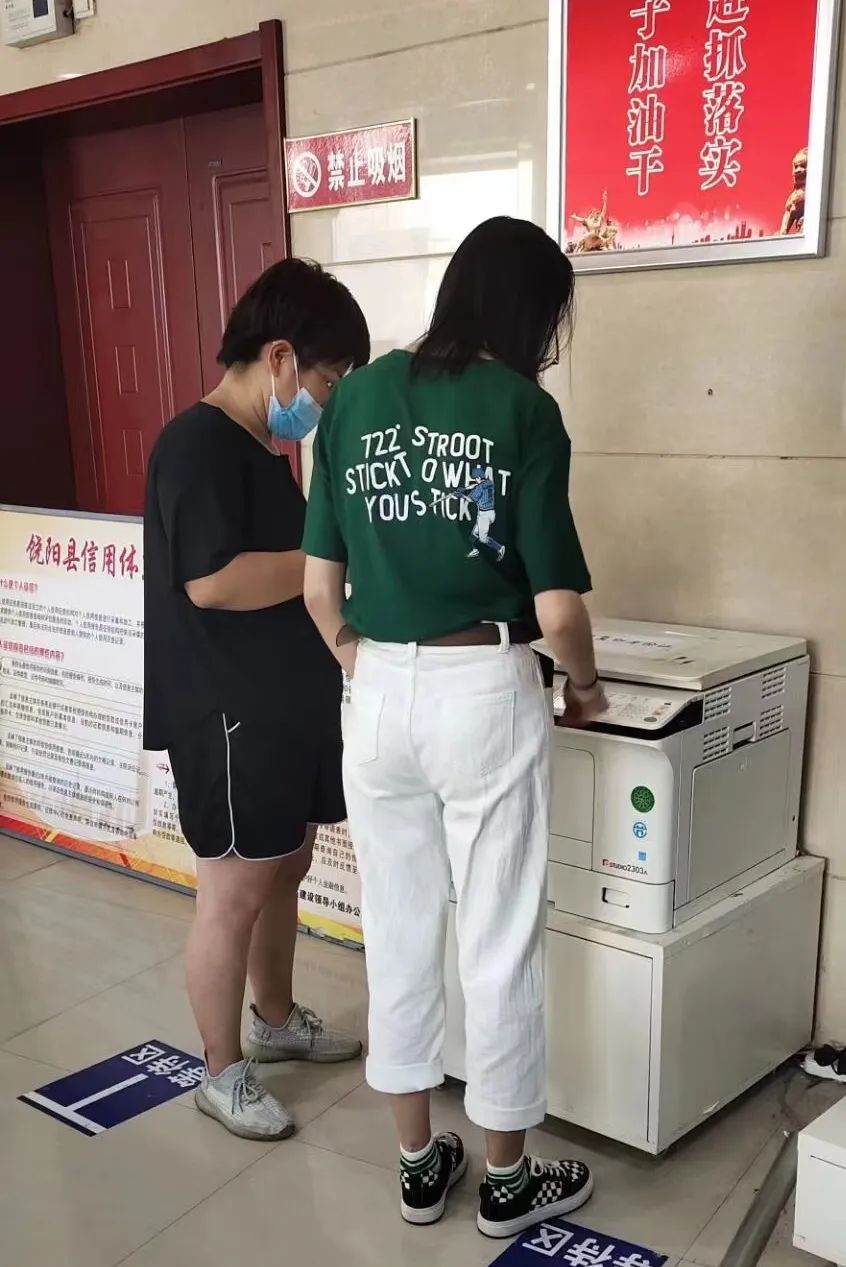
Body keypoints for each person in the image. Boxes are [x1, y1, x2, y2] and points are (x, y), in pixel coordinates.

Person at [302, 217, 607, 1238]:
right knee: (498, 935)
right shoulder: (524, 409)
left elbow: (318, 588)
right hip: (485, 688)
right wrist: (586, 686)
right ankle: (507, 1183)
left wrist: (364, 660)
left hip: (379, 695)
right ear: (529, 313)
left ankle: (417, 1166)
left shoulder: (357, 400)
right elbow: (558, 609)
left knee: (397, 928)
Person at [143, 259, 370, 1141]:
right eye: (328, 380)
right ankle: (220, 1070)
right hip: (228, 714)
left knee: (286, 863)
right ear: (279, 357)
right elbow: (214, 580)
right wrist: (327, 560)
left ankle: (273, 1019)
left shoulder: (261, 451)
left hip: (283, 707)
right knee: (233, 890)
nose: (326, 399)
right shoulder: (196, 445)